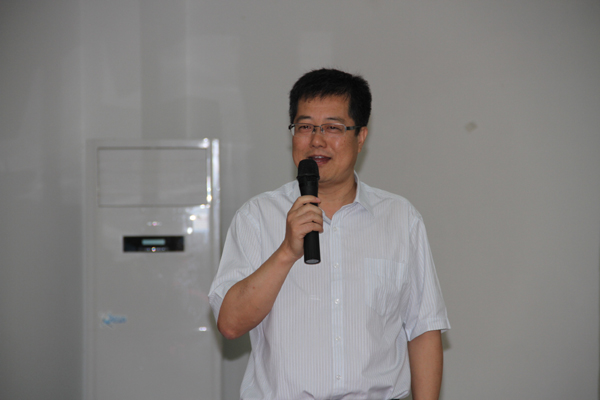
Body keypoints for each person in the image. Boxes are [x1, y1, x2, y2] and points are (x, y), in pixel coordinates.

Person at [208, 68, 450, 400]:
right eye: (305, 127)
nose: (316, 141)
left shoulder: (400, 218)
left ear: (360, 137)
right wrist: (286, 252)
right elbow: (230, 324)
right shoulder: (256, 217)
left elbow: (424, 329)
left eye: (333, 128)